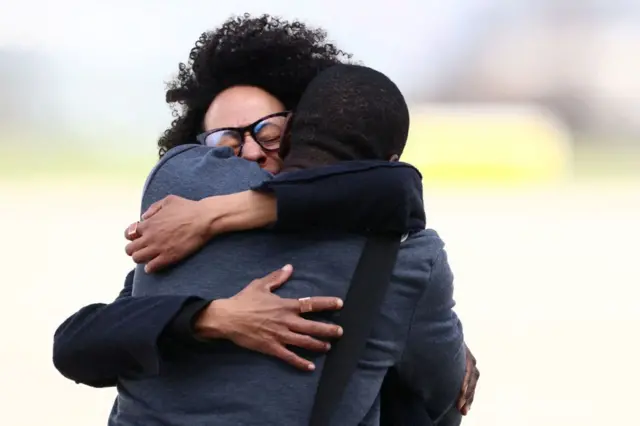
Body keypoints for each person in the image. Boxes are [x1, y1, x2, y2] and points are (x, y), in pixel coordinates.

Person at [52, 14, 478, 419]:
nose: (252, 152)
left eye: (268, 132)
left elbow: (393, 188)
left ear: (303, 128)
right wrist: (212, 317)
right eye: (224, 144)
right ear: (196, 151)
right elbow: (78, 345)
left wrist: (216, 213)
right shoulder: (179, 231)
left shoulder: (198, 219)